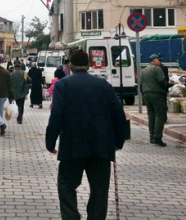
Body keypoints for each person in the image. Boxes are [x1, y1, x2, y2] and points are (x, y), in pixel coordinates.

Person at [45, 50, 127, 220]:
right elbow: (118, 113)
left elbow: (56, 115)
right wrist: (119, 141)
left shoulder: (63, 85)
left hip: (71, 146)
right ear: (89, 65)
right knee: (99, 190)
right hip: (102, 147)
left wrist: (50, 143)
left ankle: (71, 217)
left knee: (66, 186)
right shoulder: (104, 84)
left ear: (70, 66)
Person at [140, 54, 168, 147]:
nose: (160, 62)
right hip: (157, 94)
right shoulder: (157, 69)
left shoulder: (143, 70)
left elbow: (140, 84)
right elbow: (162, 81)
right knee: (160, 115)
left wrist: (144, 94)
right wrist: (166, 86)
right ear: (155, 61)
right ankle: (157, 137)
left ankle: (151, 136)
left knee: (151, 116)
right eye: (159, 60)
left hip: (146, 94)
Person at [158, 56, 169, 122]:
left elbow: (165, 79)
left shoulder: (163, 68)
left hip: (162, 89)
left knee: (163, 104)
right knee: (162, 104)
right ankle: (163, 117)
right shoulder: (160, 68)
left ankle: (164, 117)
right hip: (160, 89)